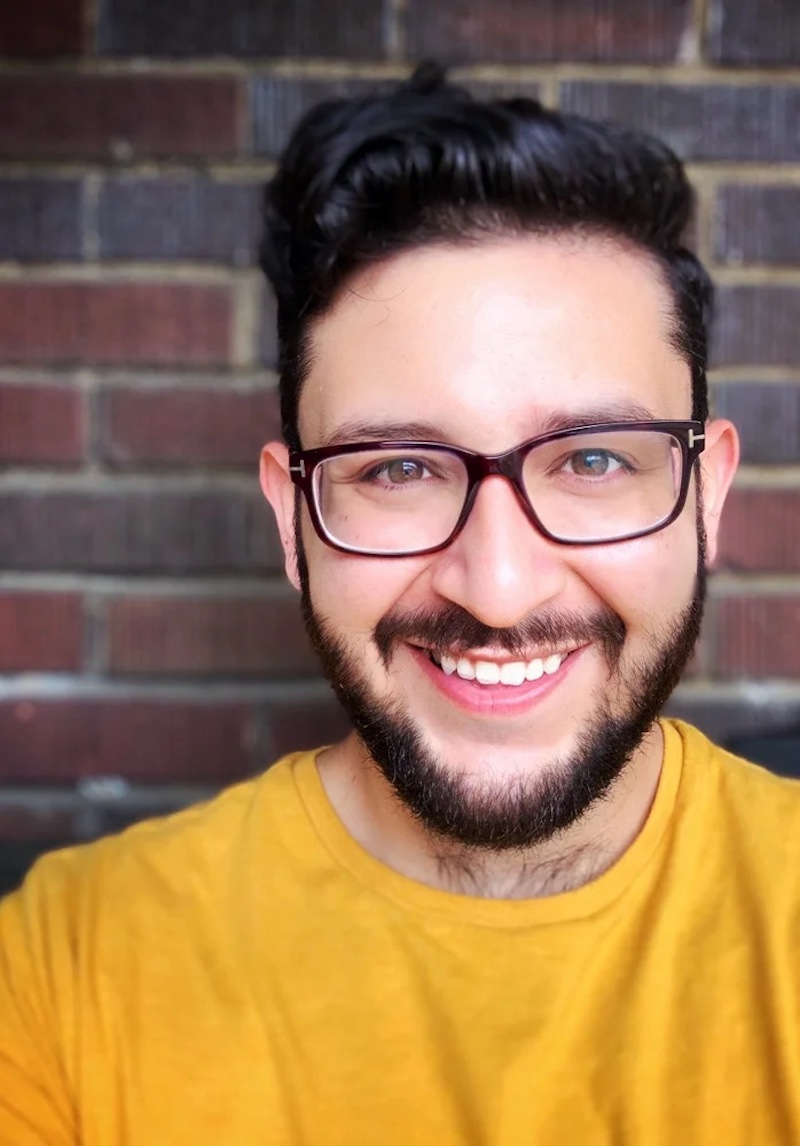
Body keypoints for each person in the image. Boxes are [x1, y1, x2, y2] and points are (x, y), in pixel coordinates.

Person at [1, 63, 799, 1146]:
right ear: (292, 521)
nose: (499, 586)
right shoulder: (62, 968)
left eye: (595, 460)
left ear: (705, 499)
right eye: (397, 471)